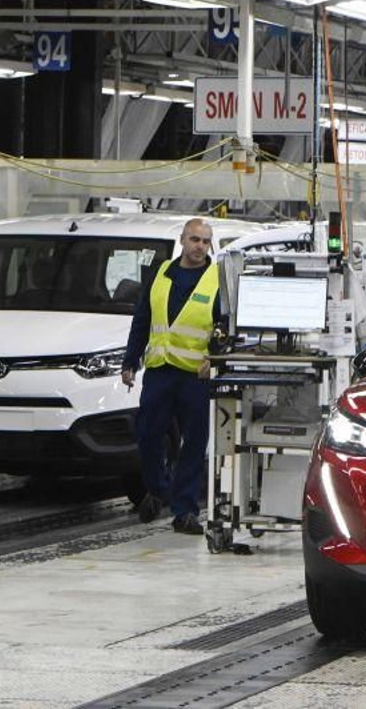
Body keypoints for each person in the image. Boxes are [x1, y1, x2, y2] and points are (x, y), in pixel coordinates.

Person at [121, 218, 224, 534]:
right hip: (160, 370)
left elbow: (225, 327)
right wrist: (130, 361)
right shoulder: (162, 274)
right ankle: (157, 488)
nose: (199, 246)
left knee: (194, 444)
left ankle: (185, 511)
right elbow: (143, 319)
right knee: (148, 435)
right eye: (194, 239)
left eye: (205, 241)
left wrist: (215, 358)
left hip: (195, 375)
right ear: (182, 239)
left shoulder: (217, 280)